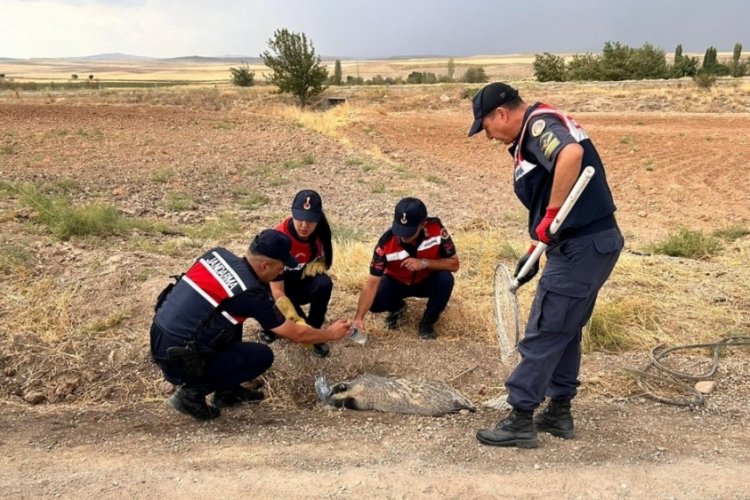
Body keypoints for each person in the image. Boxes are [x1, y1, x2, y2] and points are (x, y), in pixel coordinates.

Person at [468, 82, 623, 448]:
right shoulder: (531, 135)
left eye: (486, 126)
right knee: (564, 329)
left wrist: (552, 216)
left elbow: (570, 156)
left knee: (545, 328)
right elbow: (551, 199)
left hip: (582, 246)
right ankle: (559, 411)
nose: (488, 136)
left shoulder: (539, 125)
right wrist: (537, 244)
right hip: (585, 244)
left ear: (502, 114)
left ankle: (520, 417)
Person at [150, 229, 351, 421]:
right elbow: (297, 334)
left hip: (161, 338)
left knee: (231, 317)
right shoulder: (252, 294)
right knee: (261, 356)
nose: (281, 272)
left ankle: (227, 391)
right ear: (264, 266)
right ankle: (191, 394)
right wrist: (331, 334)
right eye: (280, 268)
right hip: (181, 361)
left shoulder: (216, 255)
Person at [352, 197, 459, 340]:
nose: (403, 236)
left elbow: (454, 264)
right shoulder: (385, 244)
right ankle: (397, 307)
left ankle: (427, 323)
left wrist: (424, 263)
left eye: (408, 232)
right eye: (399, 229)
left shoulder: (436, 229)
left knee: (446, 279)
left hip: (425, 280)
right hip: (397, 282)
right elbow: (371, 284)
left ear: (423, 224)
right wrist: (358, 318)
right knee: (375, 301)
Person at [259, 189, 334, 358]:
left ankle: (314, 331)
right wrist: (294, 318)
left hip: (297, 282)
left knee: (324, 283)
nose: (304, 225)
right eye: (300, 218)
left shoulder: (320, 236)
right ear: (292, 213)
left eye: (310, 220)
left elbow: (324, 261)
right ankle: (271, 327)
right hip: (275, 286)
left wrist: (318, 263)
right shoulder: (279, 238)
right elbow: (277, 290)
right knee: (276, 306)